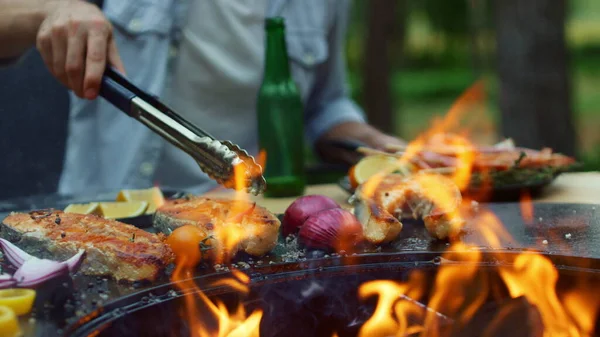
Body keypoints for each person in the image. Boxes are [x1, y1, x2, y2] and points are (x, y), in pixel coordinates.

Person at [2, 0, 405, 195]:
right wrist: (50, 11)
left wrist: (376, 147)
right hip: (116, 218)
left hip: (236, 220)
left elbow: (326, 104)